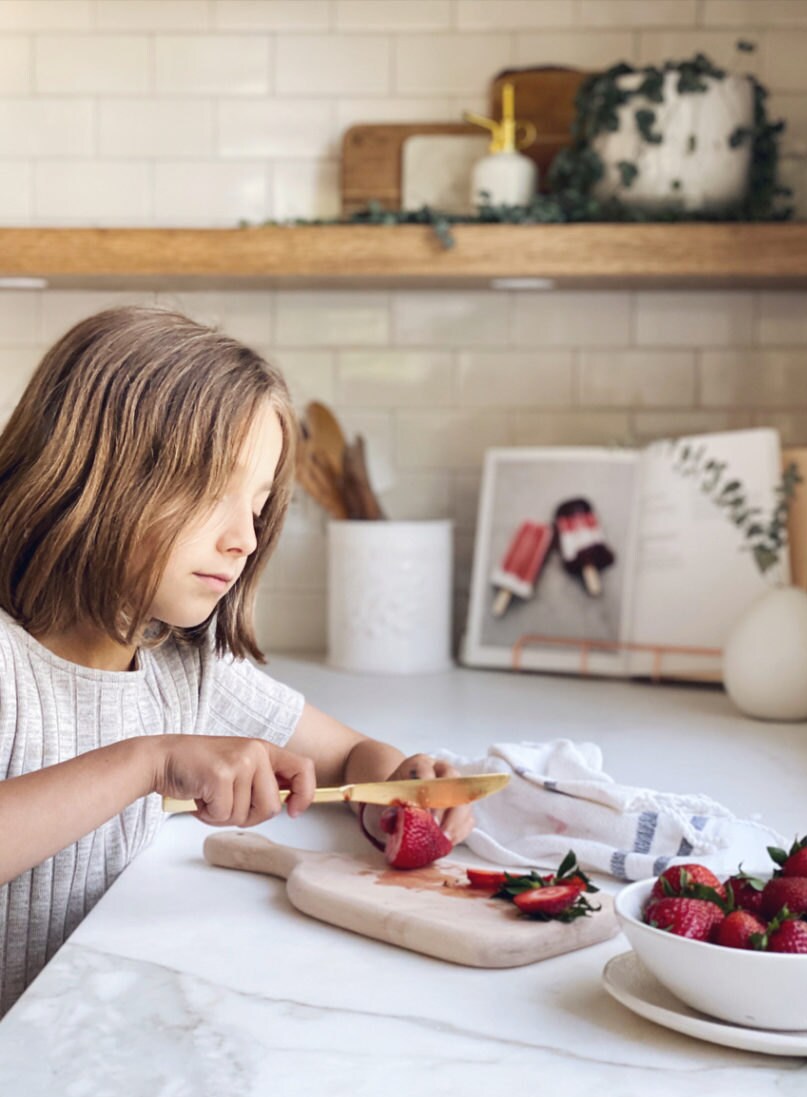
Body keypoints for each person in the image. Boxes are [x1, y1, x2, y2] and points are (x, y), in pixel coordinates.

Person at [0, 305, 474, 1016]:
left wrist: (396, 794)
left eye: (256, 507)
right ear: (96, 472)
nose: (244, 540)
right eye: (210, 493)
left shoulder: (179, 663)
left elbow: (348, 756)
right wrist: (148, 762)